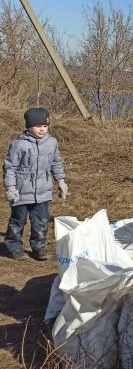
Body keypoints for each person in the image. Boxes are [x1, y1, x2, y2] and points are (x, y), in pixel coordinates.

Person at [4, 107, 68, 261]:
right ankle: (14, 247)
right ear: (29, 126)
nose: (42, 129)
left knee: (41, 220)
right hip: (21, 191)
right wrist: (10, 187)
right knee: (18, 220)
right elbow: (10, 167)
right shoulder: (19, 144)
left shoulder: (52, 143)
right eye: (38, 126)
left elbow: (56, 163)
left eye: (45, 126)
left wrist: (61, 181)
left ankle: (39, 247)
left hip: (43, 191)